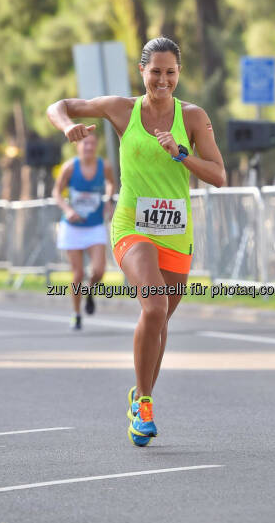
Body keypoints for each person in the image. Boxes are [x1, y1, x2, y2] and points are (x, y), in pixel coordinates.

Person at [47, 36, 226, 446]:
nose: (162, 80)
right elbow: (59, 106)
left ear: (178, 74)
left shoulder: (194, 117)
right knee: (155, 304)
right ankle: (145, 405)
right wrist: (67, 127)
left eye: (170, 72)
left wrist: (182, 153)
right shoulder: (121, 109)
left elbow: (218, 175)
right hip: (133, 226)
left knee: (160, 321)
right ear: (142, 72)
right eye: (155, 72)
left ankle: (139, 394)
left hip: (177, 232)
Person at [53, 133, 115, 330]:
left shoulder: (103, 166)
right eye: (85, 144)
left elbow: (112, 183)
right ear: (78, 146)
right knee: (78, 274)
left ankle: (90, 291)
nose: (89, 147)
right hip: (73, 227)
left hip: (95, 224)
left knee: (99, 270)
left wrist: (108, 200)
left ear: (96, 146)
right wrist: (68, 210)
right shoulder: (70, 168)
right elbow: (56, 192)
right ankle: (76, 313)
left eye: (92, 143)